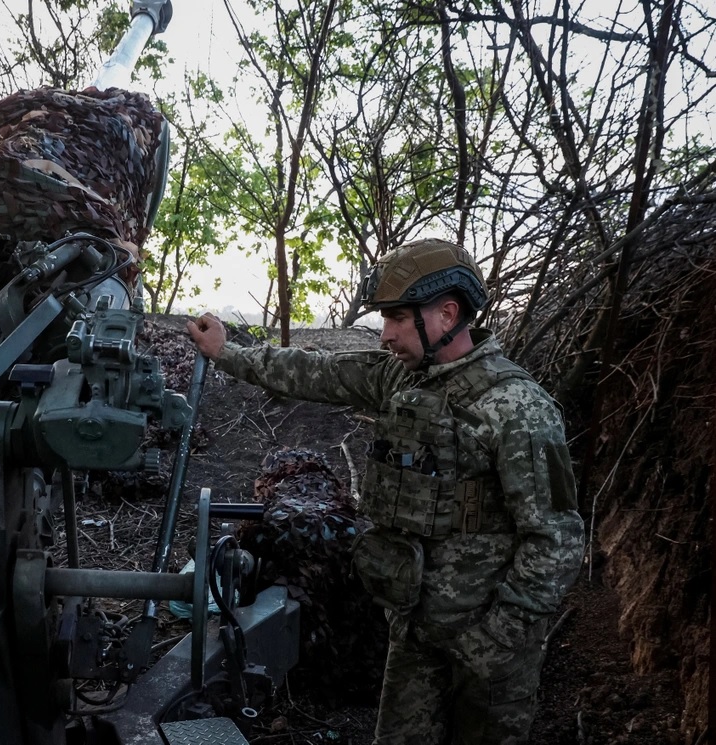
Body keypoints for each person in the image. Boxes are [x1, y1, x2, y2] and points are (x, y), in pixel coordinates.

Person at [186, 238, 585, 744]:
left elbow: (557, 540)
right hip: (415, 630)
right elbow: (314, 371)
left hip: (490, 647)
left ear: (446, 313)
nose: (386, 334)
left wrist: (499, 636)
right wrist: (227, 352)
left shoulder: (518, 408)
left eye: (397, 318)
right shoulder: (398, 378)